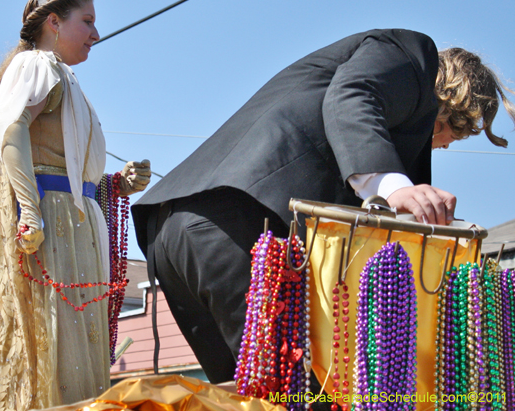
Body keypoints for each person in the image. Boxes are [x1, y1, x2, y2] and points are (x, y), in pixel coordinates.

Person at [131, 29, 515, 384]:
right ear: (451, 98)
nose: (445, 144)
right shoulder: (411, 54)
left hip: (173, 233)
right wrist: (392, 184)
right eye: (453, 130)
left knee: (236, 400)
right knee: (294, 394)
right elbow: (352, 95)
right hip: (240, 227)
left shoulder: (359, 120)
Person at [0, 0, 151, 411]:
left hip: (74, 223)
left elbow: (62, 163)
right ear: (54, 22)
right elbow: (10, 129)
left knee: (76, 351)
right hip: (54, 225)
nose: (95, 34)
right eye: (86, 21)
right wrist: (30, 212)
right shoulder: (39, 65)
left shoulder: (63, 77)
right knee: (57, 350)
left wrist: (114, 185)